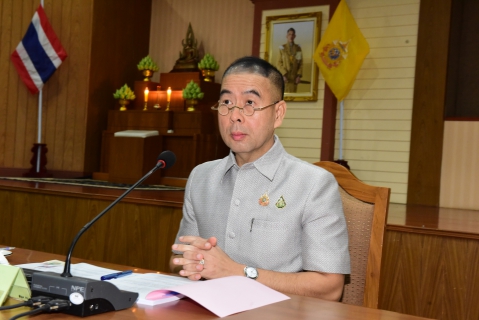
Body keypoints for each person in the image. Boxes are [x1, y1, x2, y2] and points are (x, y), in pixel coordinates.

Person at [170, 56, 350, 301]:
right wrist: (191, 263)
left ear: (278, 114)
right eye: (226, 102)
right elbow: (177, 262)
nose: (235, 116)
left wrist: (236, 272)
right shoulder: (201, 177)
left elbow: (330, 288)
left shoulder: (314, 184)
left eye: (250, 103)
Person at [276, 28, 303, 93]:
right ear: (287, 36)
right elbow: (278, 63)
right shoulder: (282, 48)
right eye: (289, 34)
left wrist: (298, 76)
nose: (291, 36)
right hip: (285, 79)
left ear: (294, 36)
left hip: (294, 79)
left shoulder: (298, 49)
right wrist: (283, 74)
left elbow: (300, 63)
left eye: (292, 34)